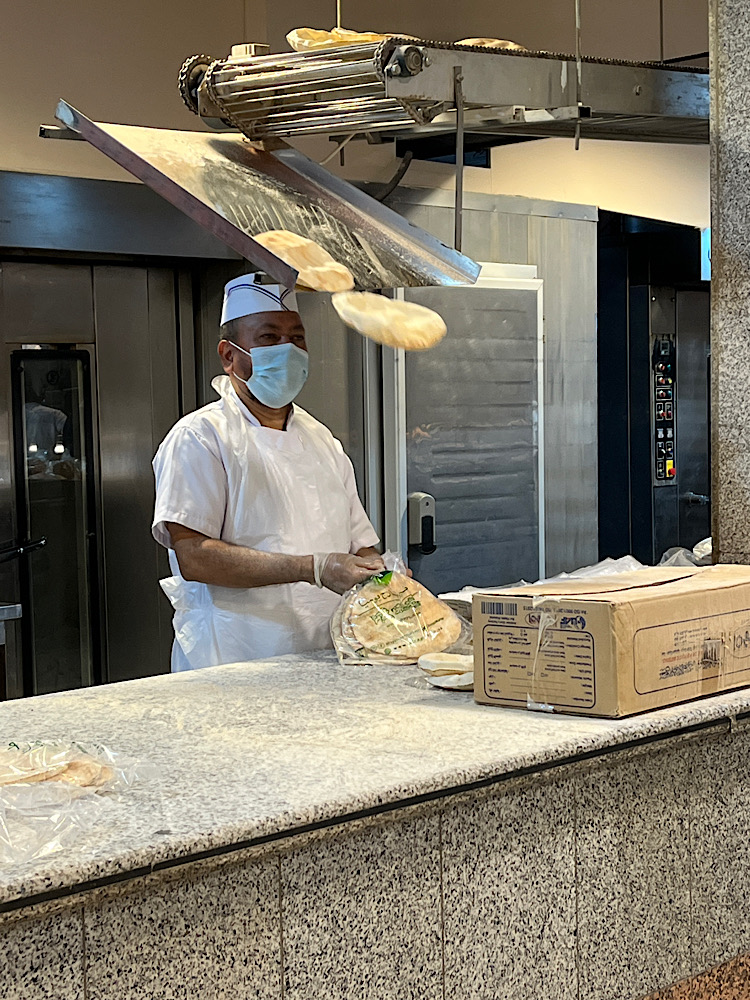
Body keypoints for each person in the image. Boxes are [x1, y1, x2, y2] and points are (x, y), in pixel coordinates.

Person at [152, 274, 384, 671]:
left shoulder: (320, 439)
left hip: (329, 655)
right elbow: (194, 556)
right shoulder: (201, 437)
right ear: (229, 355)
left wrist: (382, 576)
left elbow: (360, 544)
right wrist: (312, 568)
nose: (288, 350)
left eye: (297, 338)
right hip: (234, 658)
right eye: (269, 338)